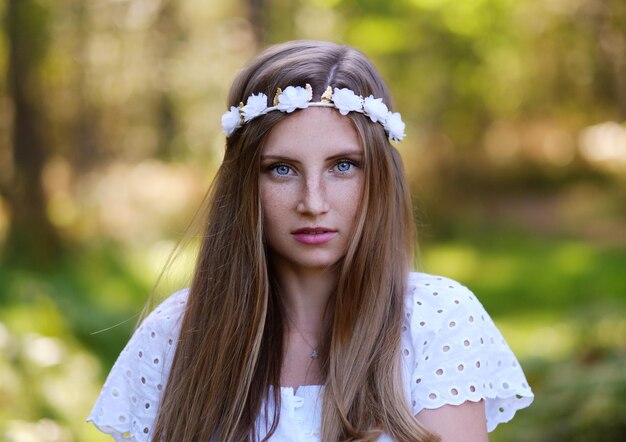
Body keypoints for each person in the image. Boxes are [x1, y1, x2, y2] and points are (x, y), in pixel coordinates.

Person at [88, 40, 533, 441]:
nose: (312, 202)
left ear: (378, 175)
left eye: (343, 166)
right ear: (244, 182)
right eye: (282, 169)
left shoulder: (436, 320)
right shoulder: (177, 334)